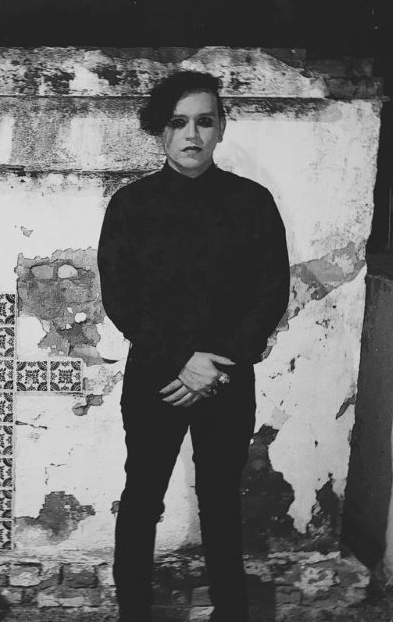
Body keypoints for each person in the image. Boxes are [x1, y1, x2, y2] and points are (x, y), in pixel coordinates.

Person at [97, 71, 290, 622]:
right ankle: (133, 612)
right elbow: (121, 298)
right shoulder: (131, 205)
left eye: (204, 121)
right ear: (160, 130)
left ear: (221, 127)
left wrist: (217, 367)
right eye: (178, 122)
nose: (192, 134)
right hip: (156, 378)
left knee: (222, 500)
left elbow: (271, 292)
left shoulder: (252, 202)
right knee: (142, 498)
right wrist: (183, 361)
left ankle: (232, 612)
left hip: (228, 379)